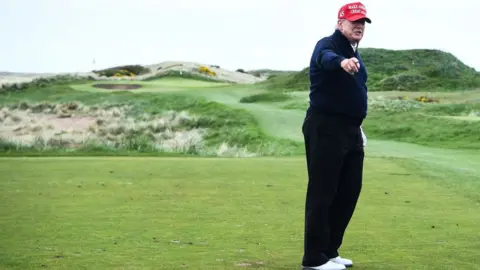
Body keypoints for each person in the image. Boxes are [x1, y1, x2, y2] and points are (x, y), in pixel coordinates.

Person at [301, 2, 371, 270]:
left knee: (349, 190)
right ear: (340, 23)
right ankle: (314, 258)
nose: (359, 26)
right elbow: (325, 59)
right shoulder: (328, 45)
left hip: (350, 130)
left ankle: (330, 250)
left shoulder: (355, 52)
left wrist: (358, 126)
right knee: (323, 191)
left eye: (363, 22)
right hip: (325, 127)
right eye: (354, 21)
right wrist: (341, 62)